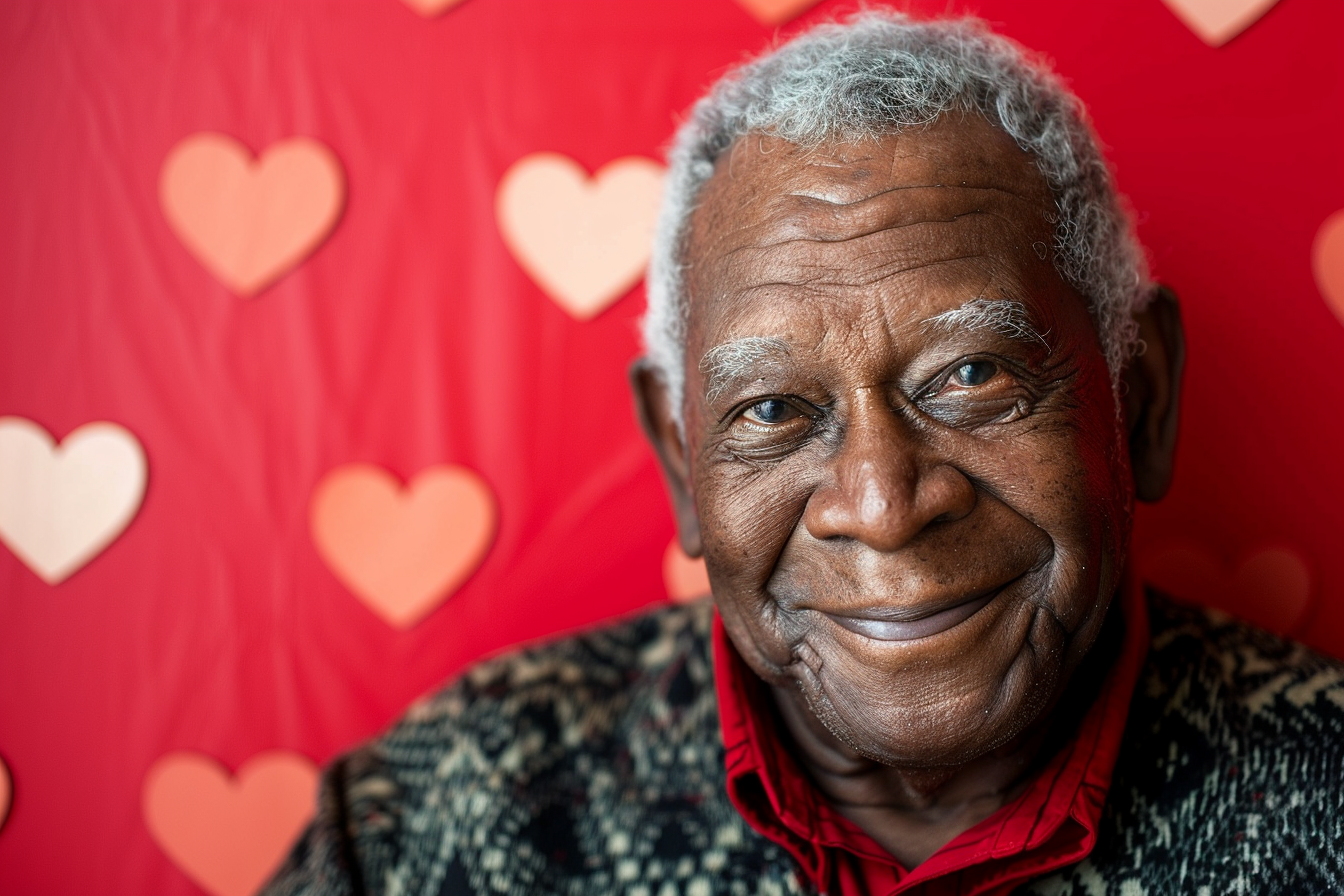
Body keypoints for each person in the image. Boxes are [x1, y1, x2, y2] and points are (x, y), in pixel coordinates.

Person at [263, 12, 1344, 895]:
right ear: (684, 462)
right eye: (774, 408)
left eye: (973, 376)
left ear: (1139, 396)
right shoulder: (441, 816)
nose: (881, 504)